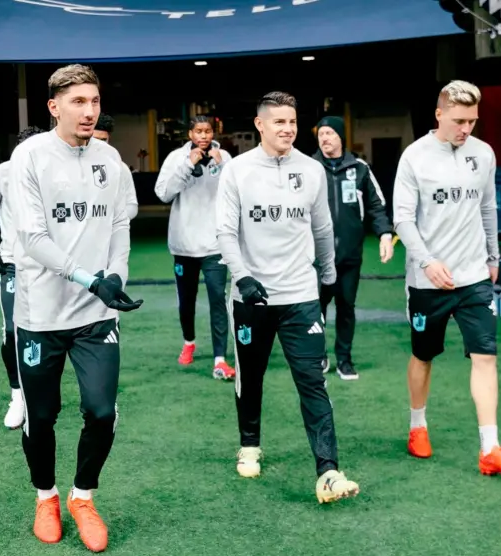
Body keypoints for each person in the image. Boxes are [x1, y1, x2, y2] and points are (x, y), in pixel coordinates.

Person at [7, 64, 144, 553]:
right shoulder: (29, 158)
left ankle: (82, 496)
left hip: (95, 316)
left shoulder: (111, 158)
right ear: (54, 107)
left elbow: (121, 224)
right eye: (78, 102)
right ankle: (45, 496)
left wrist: (116, 278)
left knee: (102, 412)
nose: (90, 111)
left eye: (94, 101)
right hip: (40, 314)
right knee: (41, 417)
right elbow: (33, 238)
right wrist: (89, 278)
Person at [216, 91, 360, 503]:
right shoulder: (238, 171)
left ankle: (329, 471)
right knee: (252, 375)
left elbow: (321, 228)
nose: (288, 128)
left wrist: (328, 274)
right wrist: (242, 278)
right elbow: (225, 231)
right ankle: (249, 444)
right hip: (252, 297)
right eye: (278, 121)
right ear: (260, 125)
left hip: (300, 295)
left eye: (293, 121)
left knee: (313, 381)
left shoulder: (311, 170)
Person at [392, 79, 501, 476]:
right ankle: (418, 426)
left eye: (472, 120)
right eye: (459, 120)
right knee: (423, 356)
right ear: (439, 114)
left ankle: (490, 448)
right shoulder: (414, 157)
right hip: (427, 280)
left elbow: (488, 207)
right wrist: (427, 261)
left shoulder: (483, 154)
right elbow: (403, 217)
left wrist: (492, 254)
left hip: (473, 277)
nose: (466, 128)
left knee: (485, 356)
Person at [312, 116, 394, 380]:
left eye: (329, 133)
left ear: (340, 137)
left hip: (349, 255)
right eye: (321, 134)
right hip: (316, 257)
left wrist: (384, 234)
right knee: (316, 309)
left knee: (346, 306)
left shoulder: (359, 168)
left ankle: (344, 361)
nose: (324, 138)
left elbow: (376, 205)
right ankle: (319, 356)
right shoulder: (308, 167)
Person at [154, 115, 236, 380]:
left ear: (213, 133)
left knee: (218, 301)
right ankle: (189, 342)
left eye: (208, 131)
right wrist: (188, 165)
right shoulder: (176, 158)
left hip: (215, 244)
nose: (203, 135)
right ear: (190, 134)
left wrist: (221, 166)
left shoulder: (223, 156)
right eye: (198, 131)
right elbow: (163, 193)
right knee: (186, 302)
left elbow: (236, 191)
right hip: (184, 245)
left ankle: (220, 359)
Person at [0, 125, 44, 429]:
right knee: (12, 332)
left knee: (53, 331)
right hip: (13, 265)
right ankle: (17, 395)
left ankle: (40, 393)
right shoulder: (1, 174)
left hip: (48, 266)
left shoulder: (53, 174)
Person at [93, 113, 139, 220]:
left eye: (103, 140)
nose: (100, 145)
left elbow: (131, 205)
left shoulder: (120, 168)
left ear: (109, 138)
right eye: (94, 139)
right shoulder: (73, 165)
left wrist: (109, 221)